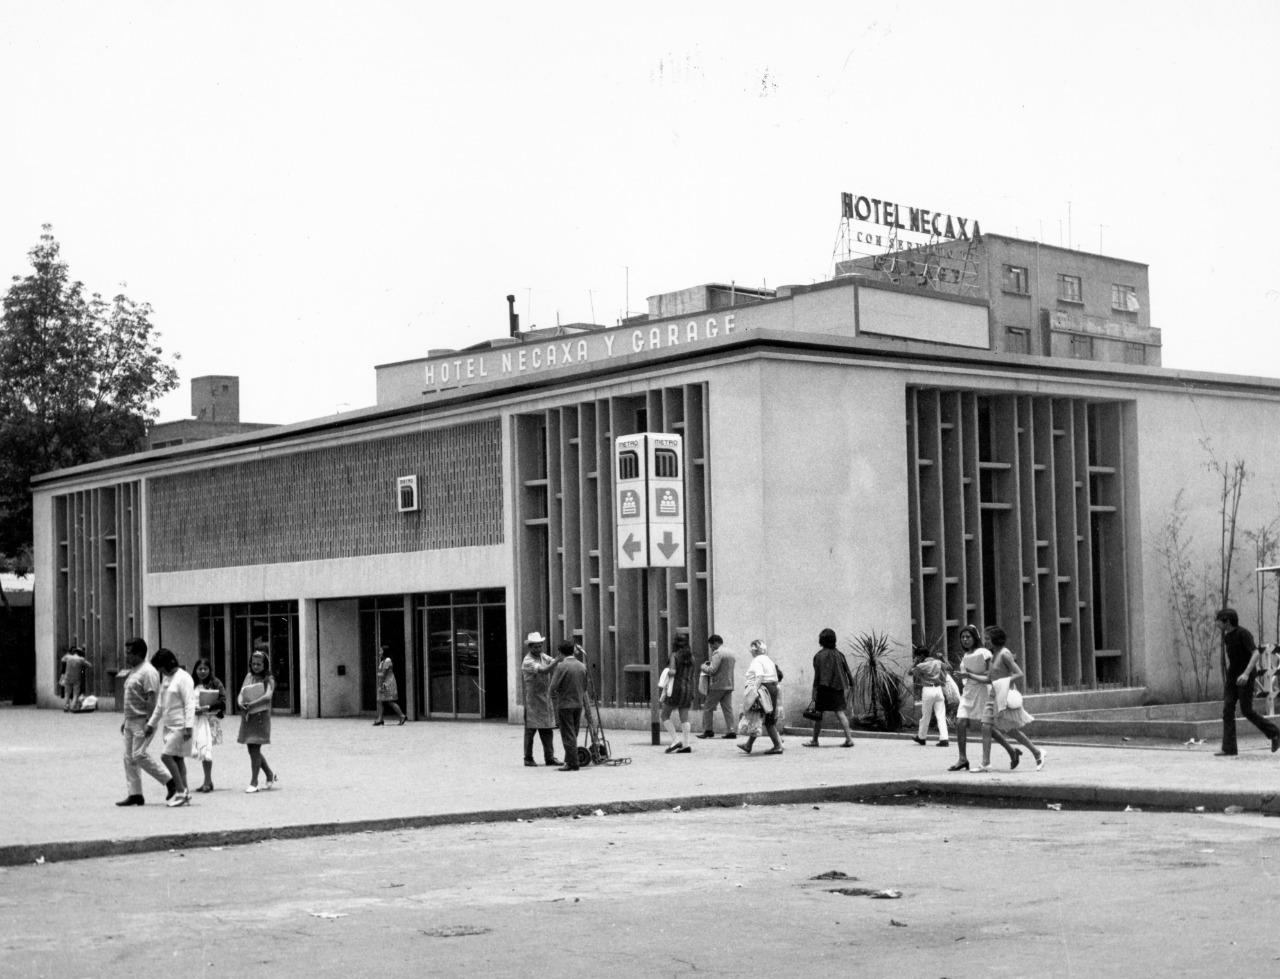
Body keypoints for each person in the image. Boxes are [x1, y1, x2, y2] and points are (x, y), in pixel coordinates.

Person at [948, 625, 1018, 772]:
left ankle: (1011, 751)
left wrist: (969, 675)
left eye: (968, 637)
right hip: (968, 692)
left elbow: (990, 675)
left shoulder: (984, 653)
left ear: (975, 638)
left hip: (982, 691)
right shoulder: (966, 655)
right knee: (960, 721)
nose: (965, 640)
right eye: (963, 637)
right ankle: (962, 758)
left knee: (987, 727)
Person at [116, 637, 175, 806]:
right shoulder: (134, 670)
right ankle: (135, 793)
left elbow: (152, 698)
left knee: (139, 754)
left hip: (143, 720)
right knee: (128, 758)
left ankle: (170, 781)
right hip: (130, 720)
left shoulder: (148, 671)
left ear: (139, 653)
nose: (126, 656)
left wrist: (150, 722)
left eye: (129, 653)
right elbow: (132, 698)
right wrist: (125, 720)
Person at [1214, 608, 1280, 756]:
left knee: (1247, 711)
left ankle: (1275, 733)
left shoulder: (1243, 634)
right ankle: (1229, 748)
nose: (1216, 623)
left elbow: (1256, 653)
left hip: (1246, 677)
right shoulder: (1227, 637)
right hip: (1233, 678)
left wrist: (1245, 673)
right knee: (1227, 709)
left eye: (1218, 620)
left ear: (1227, 621)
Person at [980, 627, 1045, 772]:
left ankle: (1036, 752)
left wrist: (1004, 683)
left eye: (988, 639)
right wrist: (969, 676)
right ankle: (986, 762)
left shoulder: (1004, 654)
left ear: (996, 639)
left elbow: (1019, 673)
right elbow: (989, 679)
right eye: (985, 639)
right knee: (988, 726)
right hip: (994, 695)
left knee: (1009, 729)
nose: (985, 642)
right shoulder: (993, 655)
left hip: (1003, 695)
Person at [145, 648, 196, 807]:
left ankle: (180, 791)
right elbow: (160, 705)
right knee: (177, 758)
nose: (160, 671)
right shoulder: (166, 679)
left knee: (166, 756)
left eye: (160, 667)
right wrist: (151, 724)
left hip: (181, 725)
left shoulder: (184, 678)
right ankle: (185, 792)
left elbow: (189, 703)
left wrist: (189, 726)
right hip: (169, 725)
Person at [238, 641, 278, 793]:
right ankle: (269, 774)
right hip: (248, 716)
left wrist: (253, 703)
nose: (255, 667)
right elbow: (241, 692)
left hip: (260, 716)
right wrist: (240, 703)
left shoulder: (269, 679)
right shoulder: (249, 676)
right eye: (253, 664)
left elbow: (268, 696)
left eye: (259, 664)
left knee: (255, 748)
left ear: (265, 665)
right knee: (252, 749)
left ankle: (254, 781)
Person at [803, 628, 854, 747]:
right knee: (840, 713)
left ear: (821, 640)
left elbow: (817, 676)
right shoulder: (839, 655)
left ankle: (815, 740)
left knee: (818, 715)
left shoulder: (818, 656)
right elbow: (847, 670)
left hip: (823, 688)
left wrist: (814, 691)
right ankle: (849, 739)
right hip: (837, 688)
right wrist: (852, 684)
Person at [739, 639, 784, 755]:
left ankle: (778, 746)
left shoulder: (757, 661)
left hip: (763, 689)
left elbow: (759, 676)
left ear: (754, 650)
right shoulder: (768, 659)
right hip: (771, 688)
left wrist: (753, 691)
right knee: (759, 718)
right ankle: (748, 745)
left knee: (762, 718)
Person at [521, 632, 560, 767]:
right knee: (530, 730)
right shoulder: (528, 661)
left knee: (547, 729)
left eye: (540, 646)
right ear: (530, 647)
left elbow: (553, 661)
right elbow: (544, 670)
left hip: (544, 698)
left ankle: (549, 757)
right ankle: (528, 757)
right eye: (535, 647)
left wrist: (564, 657)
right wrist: (558, 660)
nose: (538, 649)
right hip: (532, 700)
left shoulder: (543, 656)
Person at [549, 640, 589, 771]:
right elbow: (585, 686)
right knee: (574, 732)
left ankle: (573, 762)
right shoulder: (582, 666)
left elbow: (552, 688)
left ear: (560, 652)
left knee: (568, 734)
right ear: (573, 651)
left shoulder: (561, 666)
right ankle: (569, 760)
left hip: (565, 704)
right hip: (578, 703)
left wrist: (556, 697)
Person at [191, 657, 227, 793]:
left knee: (207, 751)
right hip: (195, 720)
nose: (202, 671)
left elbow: (223, 701)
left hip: (210, 720)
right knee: (201, 749)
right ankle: (208, 780)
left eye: (205, 669)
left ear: (210, 670)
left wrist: (207, 707)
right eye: (199, 669)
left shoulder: (215, 683)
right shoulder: (191, 683)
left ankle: (207, 781)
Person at [660, 634, 697, 753]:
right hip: (688, 688)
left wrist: (665, 672)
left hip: (675, 689)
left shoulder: (674, 656)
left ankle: (675, 740)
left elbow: (673, 672)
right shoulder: (692, 658)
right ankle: (686, 744)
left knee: (665, 715)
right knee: (684, 717)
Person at [907, 645, 950, 748]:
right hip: (939, 690)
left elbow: (910, 672)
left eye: (917, 656)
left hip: (928, 690)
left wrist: (915, 662)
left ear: (921, 656)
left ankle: (922, 738)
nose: (916, 658)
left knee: (925, 716)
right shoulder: (938, 662)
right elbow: (949, 668)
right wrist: (943, 658)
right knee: (941, 715)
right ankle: (944, 739)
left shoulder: (921, 665)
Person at [697, 635, 737, 739]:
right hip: (729, 685)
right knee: (728, 709)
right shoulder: (731, 652)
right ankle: (731, 730)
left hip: (717, 685)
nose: (711, 648)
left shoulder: (717, 653)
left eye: (711, 645)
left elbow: (712, 670)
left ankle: (708, 730)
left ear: (715, 643)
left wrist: (703, 666)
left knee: (707, 707)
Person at [373, 645, 406, 726]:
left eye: (381, 651)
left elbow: (383, 673)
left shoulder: (387, 660)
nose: (379, 652)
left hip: (387, 683)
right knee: (380, 700)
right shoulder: (382, 661)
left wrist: (380, 684)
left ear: (385, 652)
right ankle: (380, 719)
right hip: (383, 683)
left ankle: (402, 715)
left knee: (389, 701)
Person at [60, 645, 89, 712]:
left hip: (67, 677)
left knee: (67, 693)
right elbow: (89, 665)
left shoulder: (68, 657)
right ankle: (73, 707)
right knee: (76, 693)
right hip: (76, 678)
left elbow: (62, 659)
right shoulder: (81, 659)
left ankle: (66, 706)